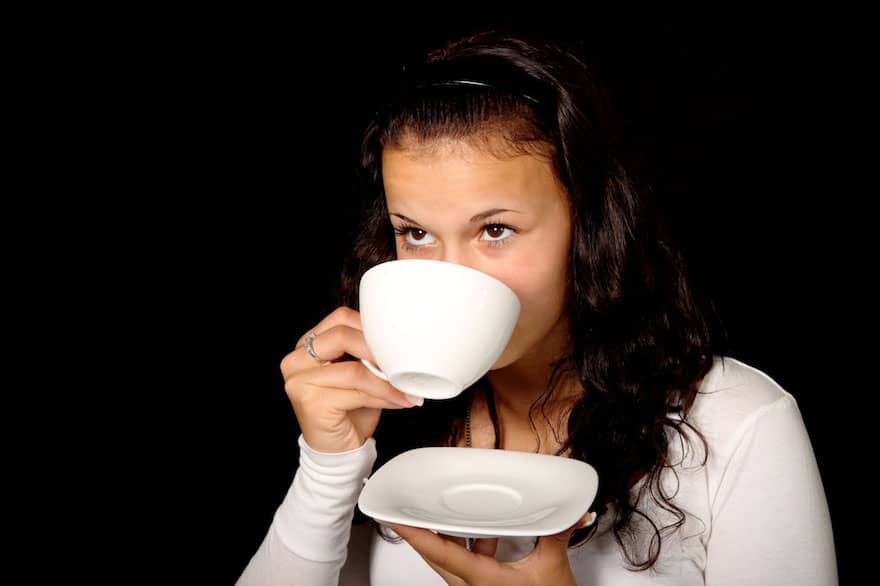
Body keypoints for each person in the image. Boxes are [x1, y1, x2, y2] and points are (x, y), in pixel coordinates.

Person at [237, 29, 837, 585]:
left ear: (590, 227)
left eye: (495, 229)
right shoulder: (383, 419)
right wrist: (327, 469)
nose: (449, 277)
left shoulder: (737, 426)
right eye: (415, 233)